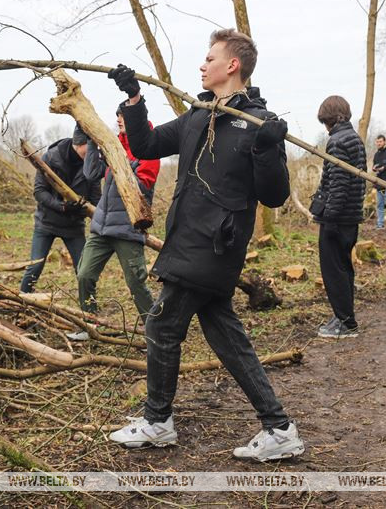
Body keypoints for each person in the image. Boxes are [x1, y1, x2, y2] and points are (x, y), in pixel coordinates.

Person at [105, 28, 304, 462]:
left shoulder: (259, 123)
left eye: (209, 58)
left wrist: (267, 150)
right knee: (224, 333)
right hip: (186, 239)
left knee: (161, 325)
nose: (202, 64)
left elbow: (274, 196)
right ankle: (278, 427)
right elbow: (146, 145)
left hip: (215, 246)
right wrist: (134, 100)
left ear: (232, 65)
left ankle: (158, 421)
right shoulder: (200, 113)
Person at [76, 108, 160, 323]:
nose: (118, 119)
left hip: (128, 229)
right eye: (117, 115)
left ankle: (155, 331)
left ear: (136, 119)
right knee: (84, 274)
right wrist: (92, 141)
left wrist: (119, 161)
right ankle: (89, 324)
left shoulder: (149, 149)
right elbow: (91, 174)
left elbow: (143, 186)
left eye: (123, 115)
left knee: (136, 284)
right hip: (101, 227)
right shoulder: (113, 143)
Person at [310, 96, 367, 339]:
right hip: (351, 216)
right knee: (344, 268)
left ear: (328, 118)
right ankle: (343, 316)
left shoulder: (337, 141)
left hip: (338, 218)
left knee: (334, 272)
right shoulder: (354, 138)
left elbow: (339, 184)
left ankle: (345, 323)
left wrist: (330, 218)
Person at [19, 126, 101, 293]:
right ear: (79, 144)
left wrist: (85, 211)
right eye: (90, 146)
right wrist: (62, 206)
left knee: (84, 271)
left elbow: (96, 200)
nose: (93, 151)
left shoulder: (92, 163)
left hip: (74, 226)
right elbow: (39, 192)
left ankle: (89, 306)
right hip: (46, 223)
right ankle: (22, 299)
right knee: (35, 266)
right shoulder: (51, 157)